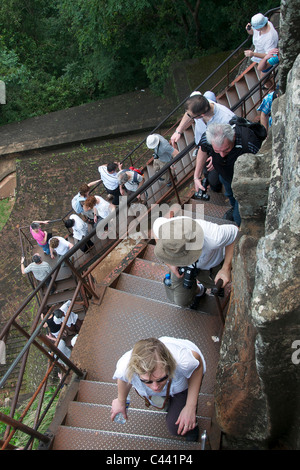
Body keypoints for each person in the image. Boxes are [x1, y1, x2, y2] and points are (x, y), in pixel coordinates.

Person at [111, 336, 206, 441]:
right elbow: (123, 379)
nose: (155, 387)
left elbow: (197, 366)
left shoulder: (184, 361)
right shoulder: (125, 367)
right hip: (170, 381)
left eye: (162, 378)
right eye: (147, 381)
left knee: (176, 426)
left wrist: (190, 406)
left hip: (181, 384)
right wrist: (121, 401)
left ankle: (191, 430)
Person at [152, 216, 238, 308]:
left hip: (211, 265)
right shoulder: (166, 229)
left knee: (222, 284)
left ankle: (209, 284)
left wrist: (226, 269)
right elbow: (155, 230)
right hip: (183, 267)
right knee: (181, 300)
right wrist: (170, 264)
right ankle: (199, 290)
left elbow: (235, 233)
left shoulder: (214, 237)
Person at [194, 122, 263, 226]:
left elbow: (260, 165)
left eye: (226, 149)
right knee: (229, 194)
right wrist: (196, 177)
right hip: (225, 174)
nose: (222, 155)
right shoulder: (208, 138)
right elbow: (203, 149)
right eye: (217, 151)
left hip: (244, 182)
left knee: (238, 218)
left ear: (233, 137)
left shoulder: (248, 142)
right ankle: (233, 206)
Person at [170, 94, 235, 193]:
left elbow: (231, 142)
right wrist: (178, 130)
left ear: (201, 116)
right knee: (206, 171)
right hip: (204, 148)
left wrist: (218, 154)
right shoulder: (198, 100)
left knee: (215, 181)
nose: (189, 117)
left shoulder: (226, 119)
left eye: (191, 117)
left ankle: (218, 189)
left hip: (219, 151)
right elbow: (188, 114)